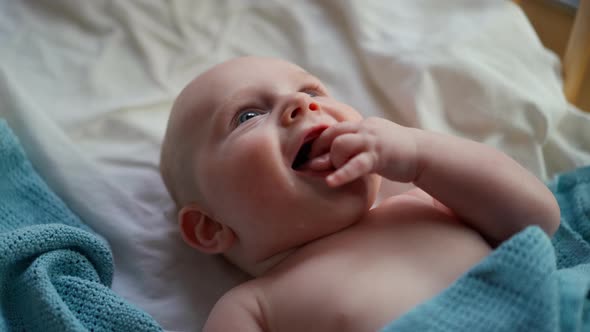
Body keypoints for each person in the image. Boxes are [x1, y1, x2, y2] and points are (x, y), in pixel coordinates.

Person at [159, 56, 560, 331]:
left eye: (313, 92)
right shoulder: (252, 305)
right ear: (210, 226)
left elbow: (540, 218)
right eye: (248, 115)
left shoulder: (427, 203)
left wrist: (419, 154)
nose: (302, 104)